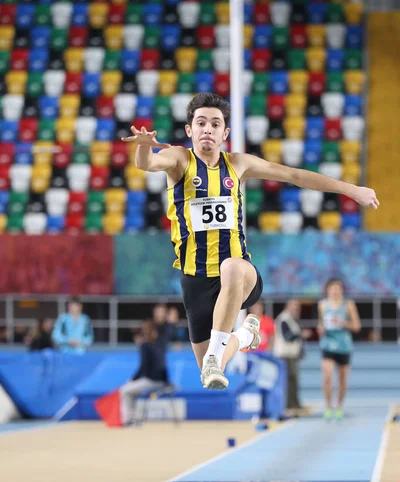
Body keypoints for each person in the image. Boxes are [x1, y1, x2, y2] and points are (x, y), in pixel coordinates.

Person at [121, 92, 379, 390]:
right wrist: (142, 147)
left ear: (225, 133)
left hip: (241, 276)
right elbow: (148, 164)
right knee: (206, 367)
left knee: (232, 267)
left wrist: (351, 189)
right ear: (189, 129)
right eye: (201, 122)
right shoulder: (179, 159)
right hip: (196, 280)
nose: (208, 129)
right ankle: (244, 335)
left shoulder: (239, 164)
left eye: (215, 124)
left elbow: (294, 175)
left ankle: (220, 356)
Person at [318, 279, 361, 420]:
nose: (335, 291)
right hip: (328, 345)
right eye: (332, 288)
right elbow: (320, 324)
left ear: (341, 290)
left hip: (344, 346)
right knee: (327, 376)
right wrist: (321, 328)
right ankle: (328, 407)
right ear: (328, 290)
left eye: (337, 288)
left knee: (342, 380)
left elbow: (356, 326)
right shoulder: (323, 305)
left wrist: (342, 323)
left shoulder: (348, 304)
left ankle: (339, 407)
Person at [120, 320, 171, 425]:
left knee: (124, 391)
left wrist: (131, 380)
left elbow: (143, 367)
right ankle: (133, 419)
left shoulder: (145, 345)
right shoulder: (161, 344)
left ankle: (128, 421)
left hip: (151, 381)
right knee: (131, 392)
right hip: (163, 382)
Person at [273, 300, 311, 415]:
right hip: (286, 355)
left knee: (294, 380)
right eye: (295, 308)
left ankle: (295, 403)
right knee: (289, 380)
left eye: (298, 308)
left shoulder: (291, 319)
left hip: (292, 355)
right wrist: (301, 335)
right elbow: (287, 336)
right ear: (288, 307)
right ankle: (290, 405)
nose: (297, 311)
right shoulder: (284, 319)